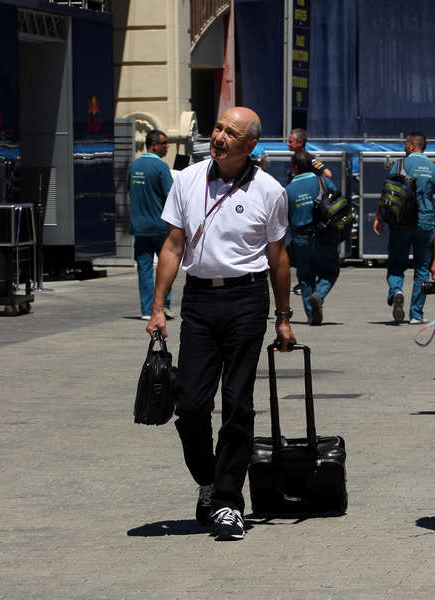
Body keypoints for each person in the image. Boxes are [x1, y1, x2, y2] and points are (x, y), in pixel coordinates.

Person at [146, 106, 295, 541]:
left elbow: (278, 258)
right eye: (217, 127)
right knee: (191, 404)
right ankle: (208, 480)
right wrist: (158, 308)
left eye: (230, 132)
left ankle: (229, 502)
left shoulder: (270, 191)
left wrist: (283, 318)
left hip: (247, 299)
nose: (219, 136)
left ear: (250, 145)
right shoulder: (187, 180)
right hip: (199, 301)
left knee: (238, 404)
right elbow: (172, 246)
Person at [373, 132, 435, 324]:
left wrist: (379, 217)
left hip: (401, 222)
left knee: (397, 263)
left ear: (413, 145)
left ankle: (396, 290)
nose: (404, 147)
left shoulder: (399, 165)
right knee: (422, 267)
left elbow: (388, 194)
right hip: (425, 222)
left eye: (406, 144)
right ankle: (416, 314)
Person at [285, 150, 340, 325]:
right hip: (323, 235)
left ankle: (311, 313)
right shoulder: (323, 182)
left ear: (295, 168)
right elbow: (338, 203)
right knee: (330, 271)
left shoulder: (288, 190)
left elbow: (283, 218)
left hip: (301, 238)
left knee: (305, 277)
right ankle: (319, 295)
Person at [129, 129, 174, 320]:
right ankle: (163, 305)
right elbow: (171, 196)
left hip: (139, 227)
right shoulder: (161, 168)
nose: (167, 146)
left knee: (144, 269)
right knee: (166, 266)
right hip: (160, 226)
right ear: (153, 144)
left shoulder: (134, 166)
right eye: (164, 143)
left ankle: (147, 310)